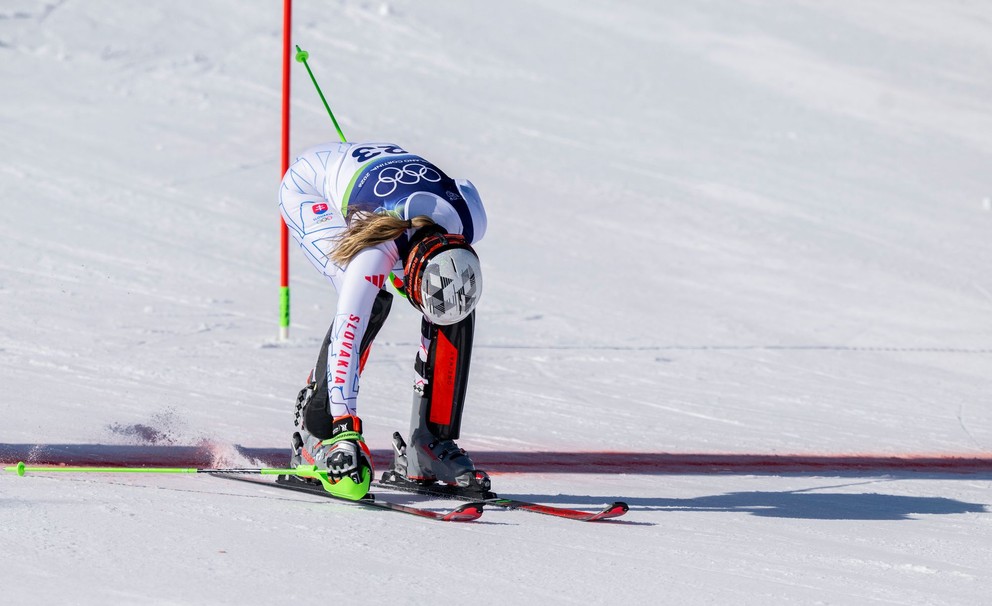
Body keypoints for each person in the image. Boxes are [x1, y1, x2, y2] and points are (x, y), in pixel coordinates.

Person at [278, 141, 488, 499]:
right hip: (309, 188)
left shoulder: (470, 219)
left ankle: (430, 443)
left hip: (377, 177)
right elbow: (349, 330)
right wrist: (347, 429)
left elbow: (461, 187)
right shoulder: (373, 253)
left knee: (454, 304)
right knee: (367, 299)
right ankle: (319, 436)